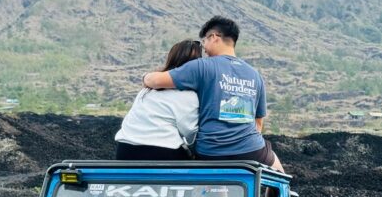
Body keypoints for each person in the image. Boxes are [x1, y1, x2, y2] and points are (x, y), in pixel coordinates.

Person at [142, 16, 283, 172]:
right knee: (280, 175)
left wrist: (145, 77)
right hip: (250, 150)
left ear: (214, 37)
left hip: (210, 152)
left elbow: (155, 81)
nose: (205, 49)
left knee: (216, 188)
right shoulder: (255, 75)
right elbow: (258, 124)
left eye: (204, 42)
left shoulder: (201, 67)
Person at [115, 40, 202, 161]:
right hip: (161, 153)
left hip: (125, 150)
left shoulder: (148, 89)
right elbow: (189, 130)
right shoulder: (188, 95)